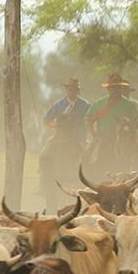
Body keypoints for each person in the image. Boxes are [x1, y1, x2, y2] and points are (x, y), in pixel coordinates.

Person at [39, 77, 91, 209]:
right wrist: (56, 125)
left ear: (78, 91)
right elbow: (47, 120)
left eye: (74, 89)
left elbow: (90, 119)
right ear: (66, 90)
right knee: (44, 155)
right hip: (59, 136)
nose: (71, 91)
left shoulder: (85, 105)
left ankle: (89, 179)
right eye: (69, 89)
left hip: (79, 138)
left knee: (89, 156)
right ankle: (44, 182)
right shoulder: (59, 104)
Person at [85, 73, 138, 172]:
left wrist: (130, 131)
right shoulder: (99, 103)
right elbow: (89, 120)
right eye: (113, 87)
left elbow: (137, 121)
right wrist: (95, 135)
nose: (115, 90)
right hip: (103, 138)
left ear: (121, 88)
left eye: (117, 87)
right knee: (86, 156)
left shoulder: (130, 105)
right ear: (108, 88)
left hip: (125, 138)